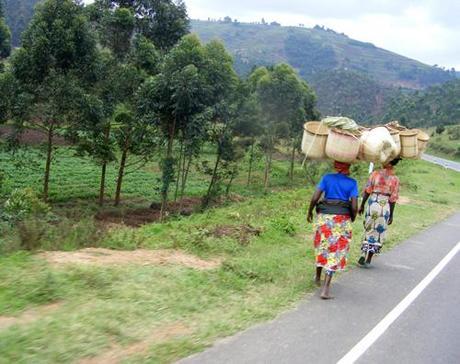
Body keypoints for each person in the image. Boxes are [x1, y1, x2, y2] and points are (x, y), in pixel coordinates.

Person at [307, 161, 358, 299]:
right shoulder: (352, 183)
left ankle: (317, 277)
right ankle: (325, 289)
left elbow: (315, 197)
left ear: (336, 167)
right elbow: (354, 206)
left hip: (324, 218)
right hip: (341, 220)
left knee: (322, 246)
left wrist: (309, 212)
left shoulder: (327, 178)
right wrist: (352, 218)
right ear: (348, 168)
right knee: (335, 251)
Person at [358, 158, 401, 267]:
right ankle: (368, 260)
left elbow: (367, 191)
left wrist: (362, 205)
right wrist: (391, 214)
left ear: (388, 163)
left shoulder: (374, 174)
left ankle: (363, 254)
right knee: (378, 232)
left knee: (368, 228)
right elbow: (393, 199)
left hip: (372, 203)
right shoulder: (395, 179)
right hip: (384, 206)